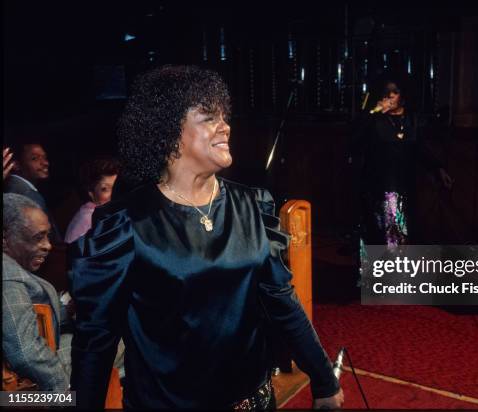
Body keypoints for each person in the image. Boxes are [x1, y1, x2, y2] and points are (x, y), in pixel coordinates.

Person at [68, 65, 344, 409]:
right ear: (168, 132)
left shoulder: (252, 206)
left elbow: (282, 302)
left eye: (225, 116)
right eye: (209, 117)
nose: (225, 125)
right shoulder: (126, 224)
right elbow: (96, 342)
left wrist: (324, 380)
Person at [352, 80, 452, 280]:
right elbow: (355, 143)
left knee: (401, 230)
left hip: (405, 182)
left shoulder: (412, 120)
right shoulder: (375, 121)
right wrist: (372, 113)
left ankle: (395, 277)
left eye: (394, 92)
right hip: (378, 183)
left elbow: (422, 149)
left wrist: (438, 168)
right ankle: (375, 276)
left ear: (403, 96)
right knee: (378, 229)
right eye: (385, 92)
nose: (389, 96)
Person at [2, 193, 72, 391]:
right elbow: (25, 352)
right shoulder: (8, 276)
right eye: (37, 237)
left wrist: (70, 309)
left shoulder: (14, 268)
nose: (48, 246)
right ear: (5, 239)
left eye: (48, 235)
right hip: (19, 397)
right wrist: (66, 394)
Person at [4, 141, 62, 242]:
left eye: (45, 157)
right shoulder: (28, 194)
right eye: (34, 158)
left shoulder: (15, 188)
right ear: (16, 165)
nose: (45, 163)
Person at [64, 157, 120, 243]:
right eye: (105, 189)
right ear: (91, 193)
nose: (113, 194)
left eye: (115, 187)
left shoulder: (104, 213)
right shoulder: (90, 218)